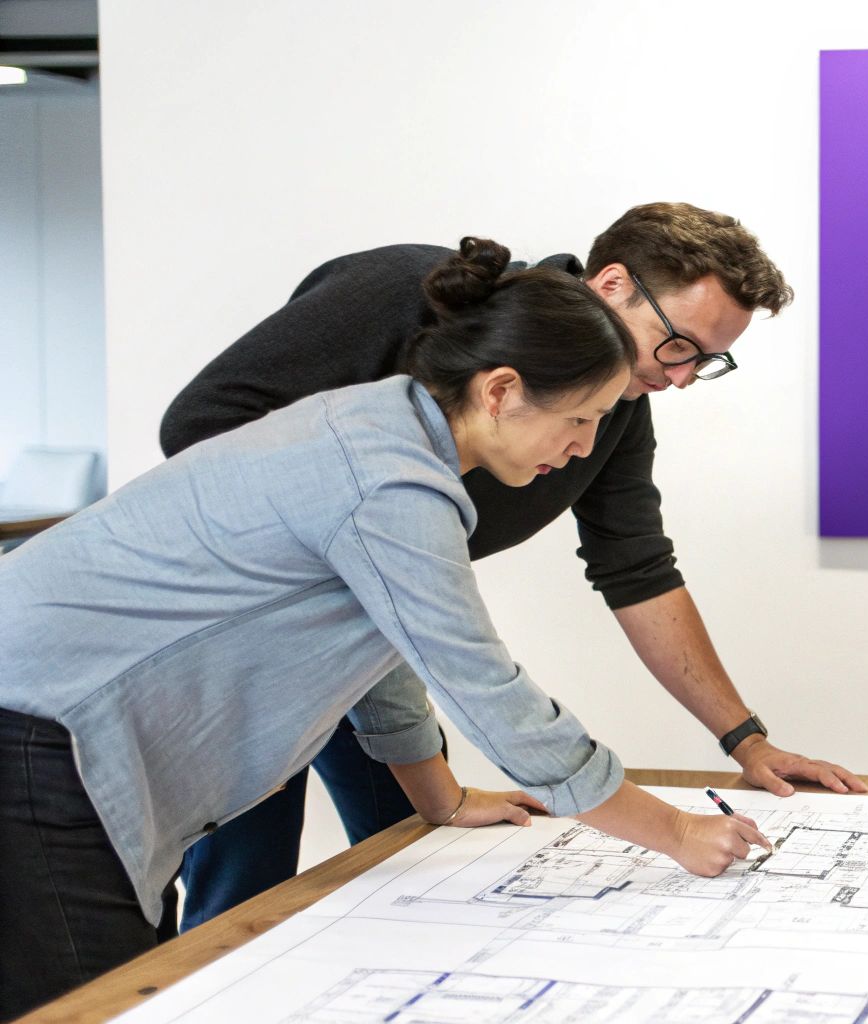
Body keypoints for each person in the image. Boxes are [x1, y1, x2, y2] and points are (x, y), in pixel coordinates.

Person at [0, 239, 771, 1019]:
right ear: (501, 390)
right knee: (97, 1004)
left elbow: (381, 643)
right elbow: (488, 692)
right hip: (40, 729)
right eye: (578, 421)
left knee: (141, 991)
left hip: (70, 736)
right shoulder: (389, 481)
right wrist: (674, 829)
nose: (580, 449)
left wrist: (437, 796)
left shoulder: (384, 430)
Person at [161, 202, 866, 932]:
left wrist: (744, 739)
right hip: (240, 636)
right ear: (614, 284)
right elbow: (200, 424)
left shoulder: (613, 410)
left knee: (414, 862)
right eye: (678, 345)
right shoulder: (403, 292)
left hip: (373, 639)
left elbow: (637, 569)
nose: (683, 379)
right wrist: (354, 553)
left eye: (706, 362)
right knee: (240, 896)